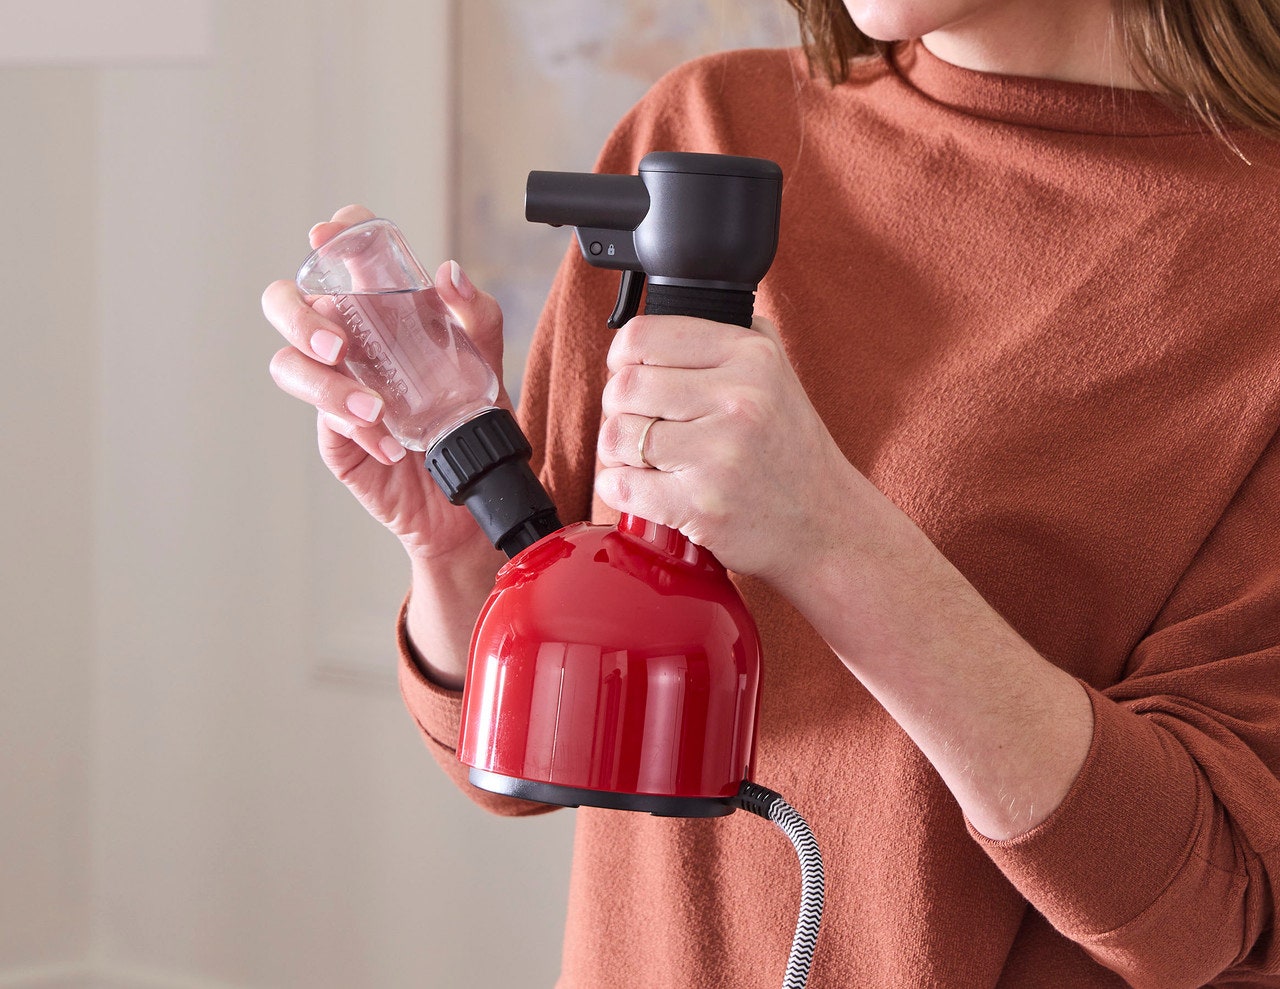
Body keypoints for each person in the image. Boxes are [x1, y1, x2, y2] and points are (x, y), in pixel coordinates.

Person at [262, 0, 1280, 985]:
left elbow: (1213, 911)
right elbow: (540, 751)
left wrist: (833, 540)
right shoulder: (704, 130)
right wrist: (456, 556)